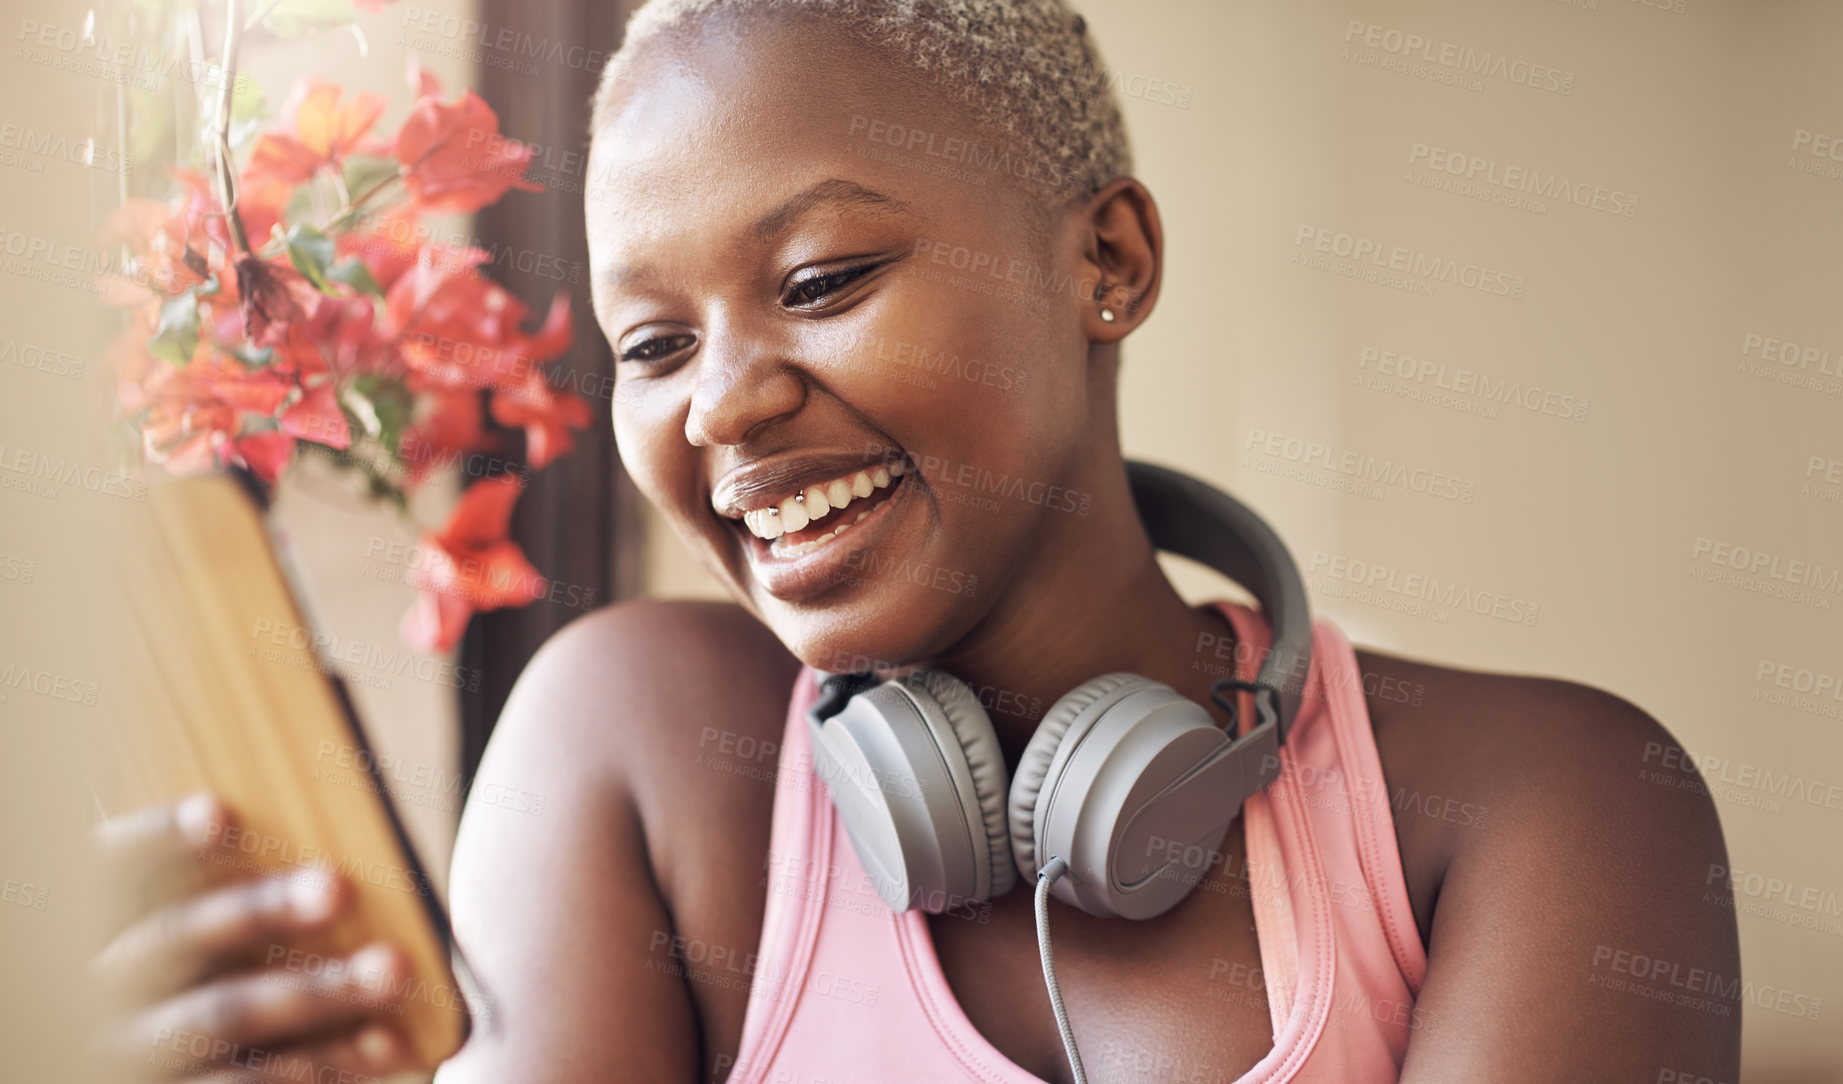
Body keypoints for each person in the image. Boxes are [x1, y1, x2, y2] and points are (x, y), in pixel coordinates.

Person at [93, 2, 1741, 1081]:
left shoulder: (1553, 805)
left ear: (1106, 258)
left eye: (817, 283)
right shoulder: (637, 746)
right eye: (651, 346)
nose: (723, 407)